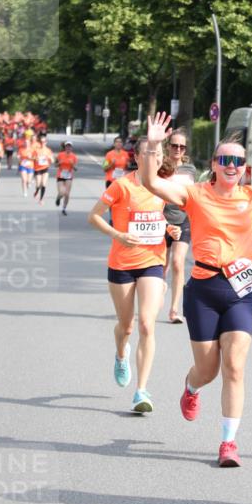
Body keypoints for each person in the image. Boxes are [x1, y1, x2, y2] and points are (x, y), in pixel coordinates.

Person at [142, 110, 252, 467]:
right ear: (214, 165)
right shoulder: (195, 194)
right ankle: (190, 388)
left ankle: (228, 443)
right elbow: (153, 184)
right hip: (203, 291)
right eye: (225, 160)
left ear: (244, 167)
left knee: (234, 365)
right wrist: (153, 146)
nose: (231, 165)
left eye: (237, 160)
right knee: (208, 370)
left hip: (241, 291)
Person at [87, 137, 181, 413]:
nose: (156, 158)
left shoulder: (163, 187)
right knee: (126, 327)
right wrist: (118, 234)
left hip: (152, 261)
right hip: (122, 263)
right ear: (138, 158)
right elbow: (93, 216)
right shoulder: (121, 186)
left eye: (159, 154)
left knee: (147, 325)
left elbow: (156, 216)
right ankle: (120, 354)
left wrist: (168, 229)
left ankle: (141, 391)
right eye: (150, 153)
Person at [160, 129, 197, 323]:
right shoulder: (161, 167)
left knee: (178, 262)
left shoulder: (190, 169)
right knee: (163, 266)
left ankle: (174, 310)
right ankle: (159, 290)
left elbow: (194, 194)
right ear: (168, 147)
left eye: (182, 147)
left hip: (184, 219)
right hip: (161, 219)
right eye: (174, 145)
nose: (178, 149)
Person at [55, 141, 78, 216]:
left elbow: (76, 169)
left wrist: (72, 165)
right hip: (60, 175)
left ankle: (64, 208)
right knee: (62, 192)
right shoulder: (60, 155)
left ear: (71, 148)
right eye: (67, 146)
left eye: (70, 146)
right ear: (65, 147)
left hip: (69, 176)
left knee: (67, 194)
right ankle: (58, 198)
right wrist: (59, 163)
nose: (68, 148)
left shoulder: (74, 156)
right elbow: (55, 165)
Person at [32, 134, 54, 205]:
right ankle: (36, 191)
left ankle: (41, 199)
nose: (42, 143)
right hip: (37, 169)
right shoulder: (36, 150)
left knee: (43, 184)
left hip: (45, 168)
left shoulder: (48, 150)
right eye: (41, 142)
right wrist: (36, 158)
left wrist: (50, 158)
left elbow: (52, 160)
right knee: (38, 184)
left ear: (46, 142)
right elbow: (32, 158)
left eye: (44, 142)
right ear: (39, 142)